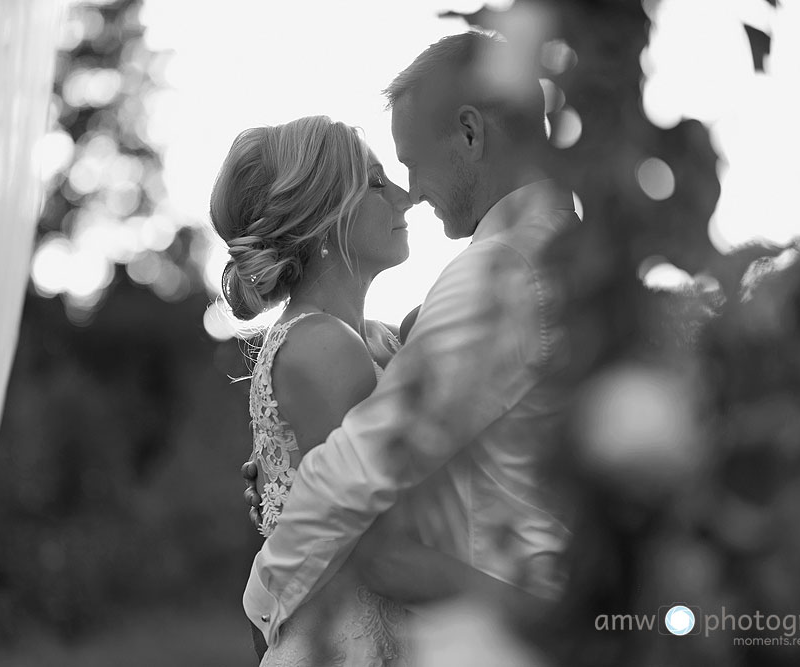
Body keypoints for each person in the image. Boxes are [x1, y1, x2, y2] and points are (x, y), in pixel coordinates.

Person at [242, 30, 578, 657]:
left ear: (471, 134)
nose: (412, 193)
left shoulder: (498, 273)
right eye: (386, 177)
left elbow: (358, 468)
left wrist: (262, 597)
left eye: (410, 162)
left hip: (511, 629)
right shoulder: (567, 256)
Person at [212, 115, 525, 665]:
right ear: (324, 219)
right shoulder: (324, 348)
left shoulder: (362, 340)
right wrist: (537, 610)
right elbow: (382, 552)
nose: (405, 196)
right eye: (377, 182)